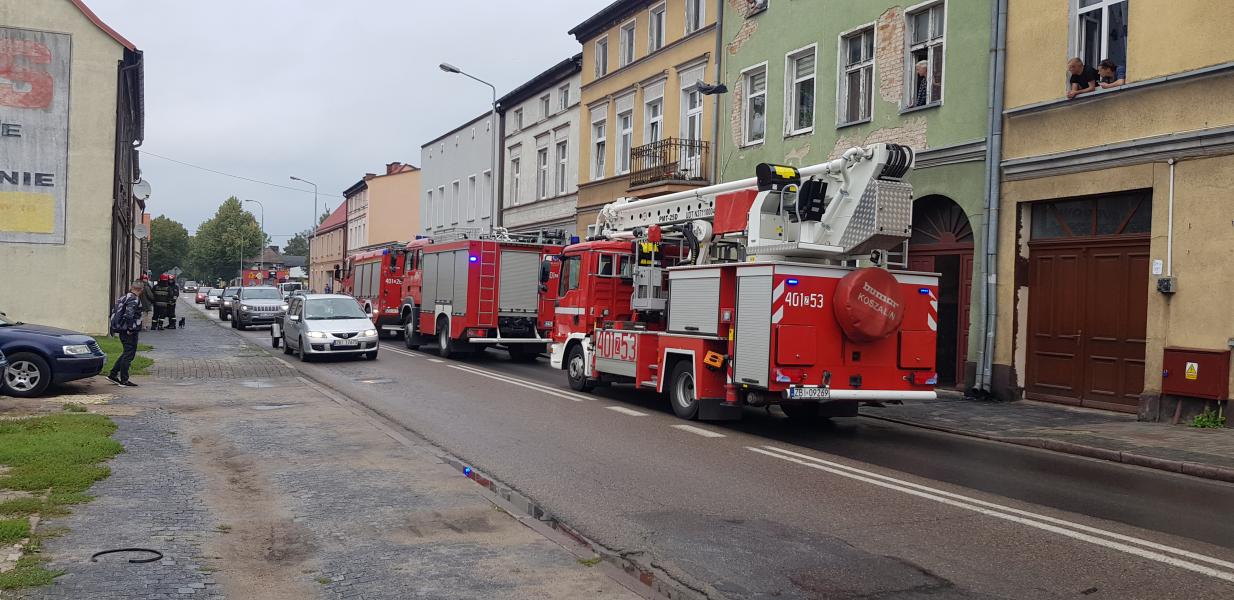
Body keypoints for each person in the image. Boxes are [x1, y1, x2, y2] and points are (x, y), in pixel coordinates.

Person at [107, 281, 144, 387]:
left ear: (132, 287)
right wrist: (130, 328)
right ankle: (124, 380)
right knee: (129, 354)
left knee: (126, 352)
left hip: (121, 328)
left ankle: (113, 374)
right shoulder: (134, 299)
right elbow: (129, 315)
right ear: (141, 290)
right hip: (128, 331)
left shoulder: (124, 297)